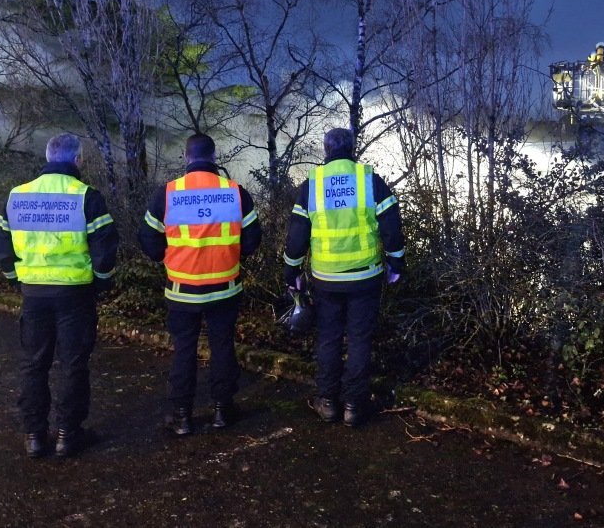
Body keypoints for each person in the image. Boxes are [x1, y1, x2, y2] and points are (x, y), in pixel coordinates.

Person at [0, 133, 119, 459]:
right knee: (73, 364)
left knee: (34, 364)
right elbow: (105, 250)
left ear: (48, 158)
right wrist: (100, 284)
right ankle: (67, 435)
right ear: (77, 160)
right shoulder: (86, 196)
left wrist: (16, 280)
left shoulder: (17, 196)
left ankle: (34, 436)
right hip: (75, 294)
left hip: (33, 294)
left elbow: (2, 248)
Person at [138, 133, 261, 435]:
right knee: (222, 347)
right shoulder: (234, 192)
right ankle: (221, 411)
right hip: (224, 287)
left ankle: (182, 416)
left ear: (186, 157)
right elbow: (253, 239)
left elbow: (147, 239)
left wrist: (167, 257)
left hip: (182, 290)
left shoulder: (167, 193)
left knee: (184, 351)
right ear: (214, 156)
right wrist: (232, 253)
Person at [282, 127, 405, 427]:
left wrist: (291, 270)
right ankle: (353, 406)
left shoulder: (313, 184)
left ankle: (327, 403)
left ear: (326, 150)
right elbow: (391, 224)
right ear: (352, 148)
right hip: (365, 277)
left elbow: (297, 234)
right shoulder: (368, 179)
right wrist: (397, 263)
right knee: (360, 340)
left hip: (326, 279)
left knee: (328, 339)